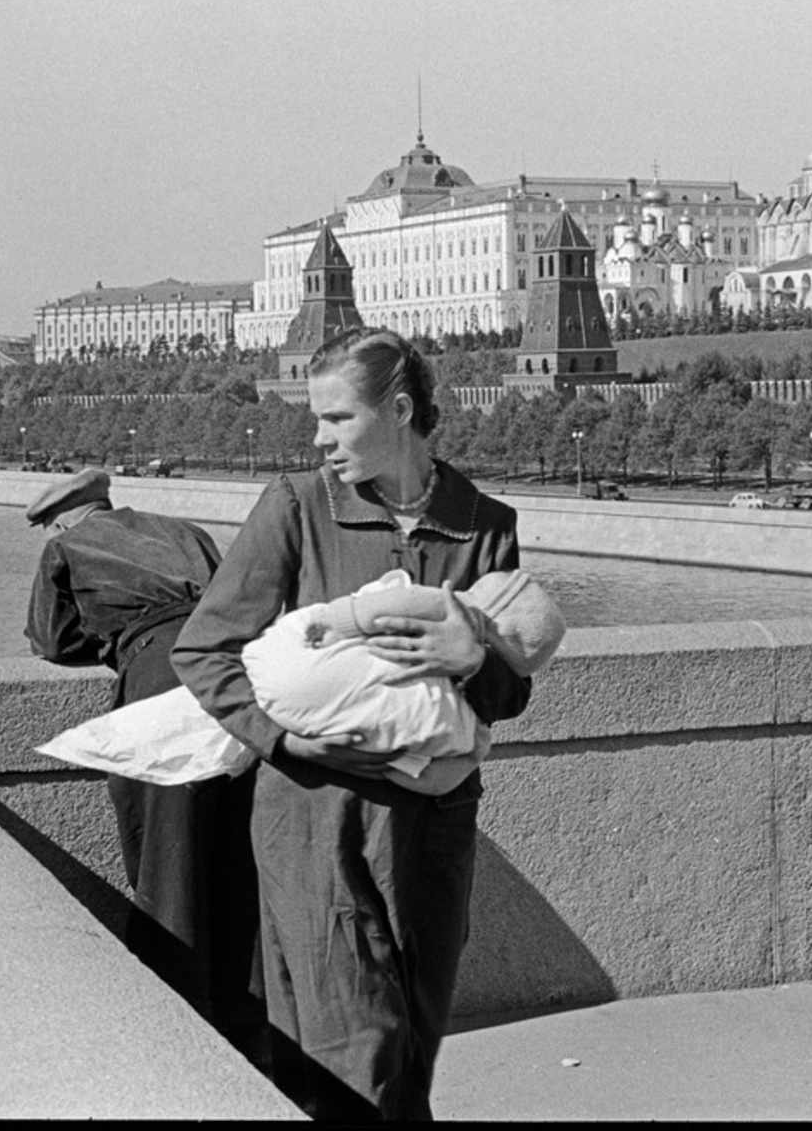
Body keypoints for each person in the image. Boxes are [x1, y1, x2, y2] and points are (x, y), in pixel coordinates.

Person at [172, 327, 533, 1120]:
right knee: (346, 1049)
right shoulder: (296, 509)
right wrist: (281, 738)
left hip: (433, 824)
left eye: (336, 418)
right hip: (314, 816)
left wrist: (472, 660)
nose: (318, 438)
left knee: (410, 1039)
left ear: (398, 410)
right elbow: (203, 650)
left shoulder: (483, 524)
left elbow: (509, 698)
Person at [23, 466, 263, 1056]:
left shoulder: (66, 547)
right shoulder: (184, 529)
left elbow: (52, 640)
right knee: (238, 846)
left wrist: (120, 640)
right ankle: (255, 1023)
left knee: (167, 853)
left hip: (160, 674)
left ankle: (177, 1031)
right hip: (234, 672)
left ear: (61, 519)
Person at [41, 566, 564, 795]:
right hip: (337, 743)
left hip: (287, 669)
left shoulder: (440, 600)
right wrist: (395, 765)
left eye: (339, 417)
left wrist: (331, 625)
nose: (323, 437)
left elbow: (372, 609)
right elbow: (448, 769)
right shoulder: (469, 732)